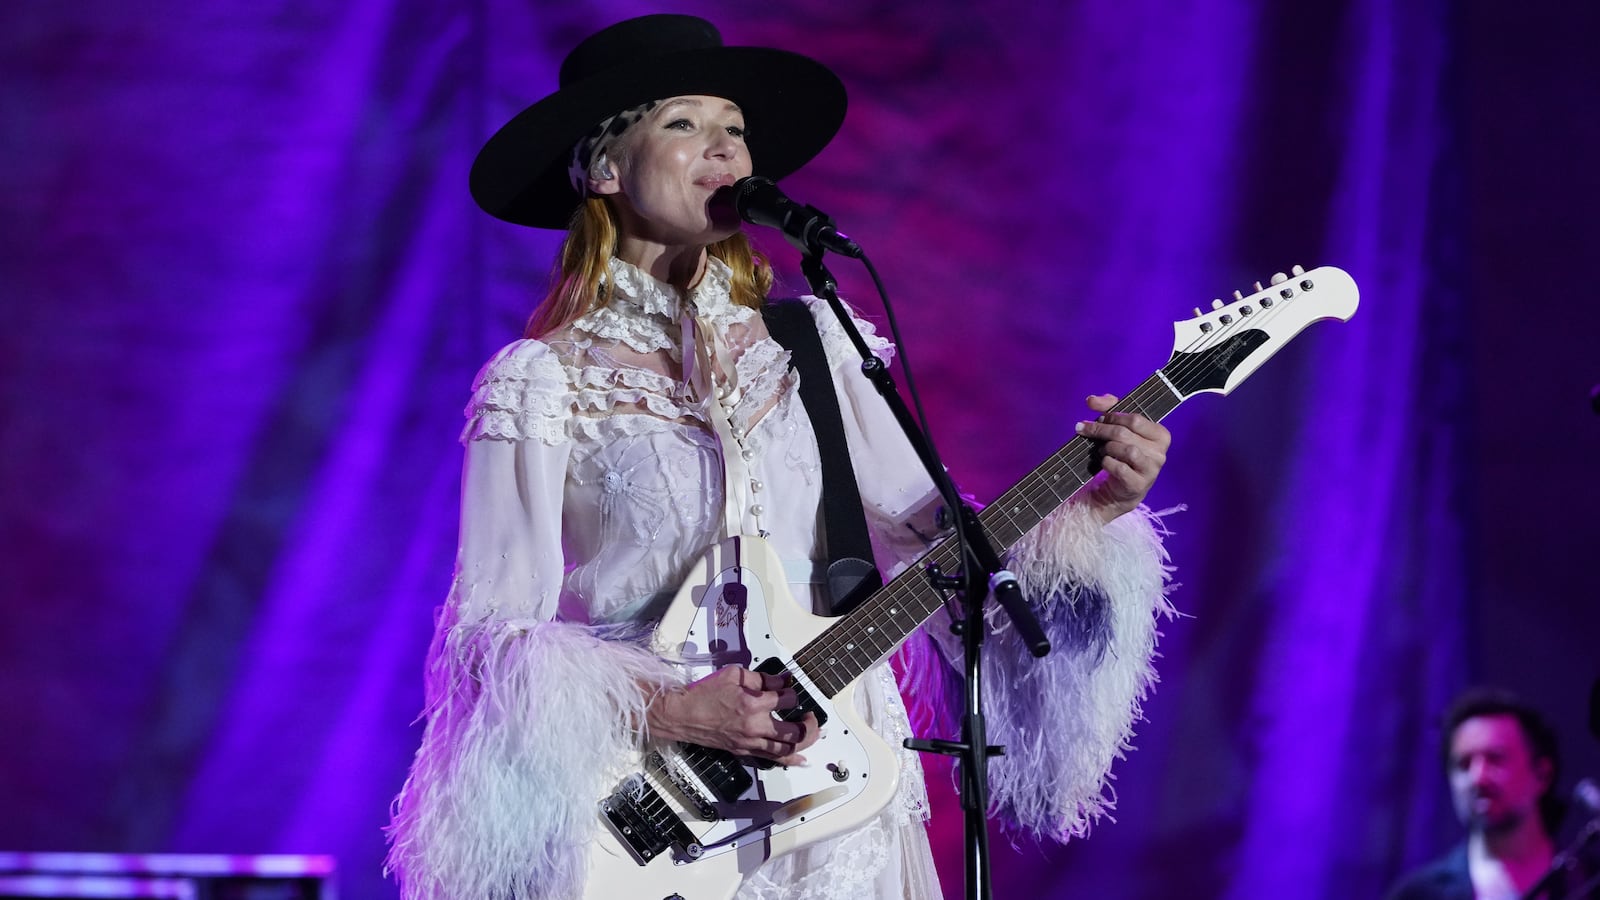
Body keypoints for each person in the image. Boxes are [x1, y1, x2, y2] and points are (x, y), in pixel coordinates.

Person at [385, 14, 1176, 900]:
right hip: (658, 808)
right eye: (684, 124)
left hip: (835, 803)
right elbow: (492, 636)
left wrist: (1093, 511)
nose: (723, 146)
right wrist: (670, 706)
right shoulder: (543, 380)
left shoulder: (818, 342)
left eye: (736, 129)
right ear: (606, 168)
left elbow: (944, 550)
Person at [1387, 688, 1580, 900]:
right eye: (1463, 764)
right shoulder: (1417, 895)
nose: (1478, 778)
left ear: (1542, 775)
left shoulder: (1587, 878)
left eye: (1495, 759)